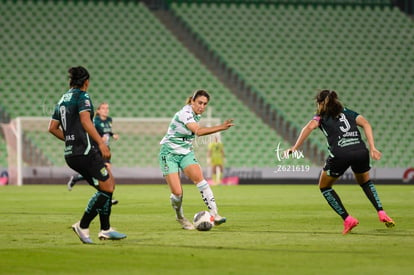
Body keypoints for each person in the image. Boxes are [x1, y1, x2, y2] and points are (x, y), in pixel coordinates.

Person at [286, 90, 395, 234]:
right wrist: (372, 147)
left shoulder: (320, 116)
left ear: (320, 103)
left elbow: (309, 127)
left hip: (341, 153)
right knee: (365, 182)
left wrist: (295, 147)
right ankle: (381, 212)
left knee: (324, 187)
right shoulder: (349, 112)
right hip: (360, 151)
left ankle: (348, 219)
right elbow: (366, 123)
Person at [48, 66, 126, 244]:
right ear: (86, 82)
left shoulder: (61, 100)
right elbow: (85, 120)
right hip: (85, 152)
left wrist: (70, 140)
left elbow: (52, 128)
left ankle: (105, 229)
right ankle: (83, 226)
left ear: (70, 82)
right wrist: (100, 142)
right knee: (108, 187)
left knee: (106, 186)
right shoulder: (82, 96)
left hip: (71, 154)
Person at [159, 89, 234, 230]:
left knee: (201, 180)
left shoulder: (196, 114)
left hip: (185, 152)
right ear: (192, 101)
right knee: (177, 193)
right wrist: (221, 127)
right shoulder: (185, 113)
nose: (202, 106)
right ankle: (180, 217)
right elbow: (198, 132)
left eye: (205, 104)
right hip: (169, 154)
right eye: (199, 102)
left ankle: (215, 214)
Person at [67, 102, 119, 205]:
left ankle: (77, 178)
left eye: (107, 108)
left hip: (106, 149)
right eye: (103, 108)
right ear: (98, 111)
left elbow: (107, 131)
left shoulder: (109, 120)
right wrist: (100, 139)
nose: (106, 110)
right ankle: (107, 197)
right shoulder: (95, 121)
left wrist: (113, 135)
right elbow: (91, 132)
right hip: (97, 148)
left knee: (105, 172)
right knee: (105, 172)